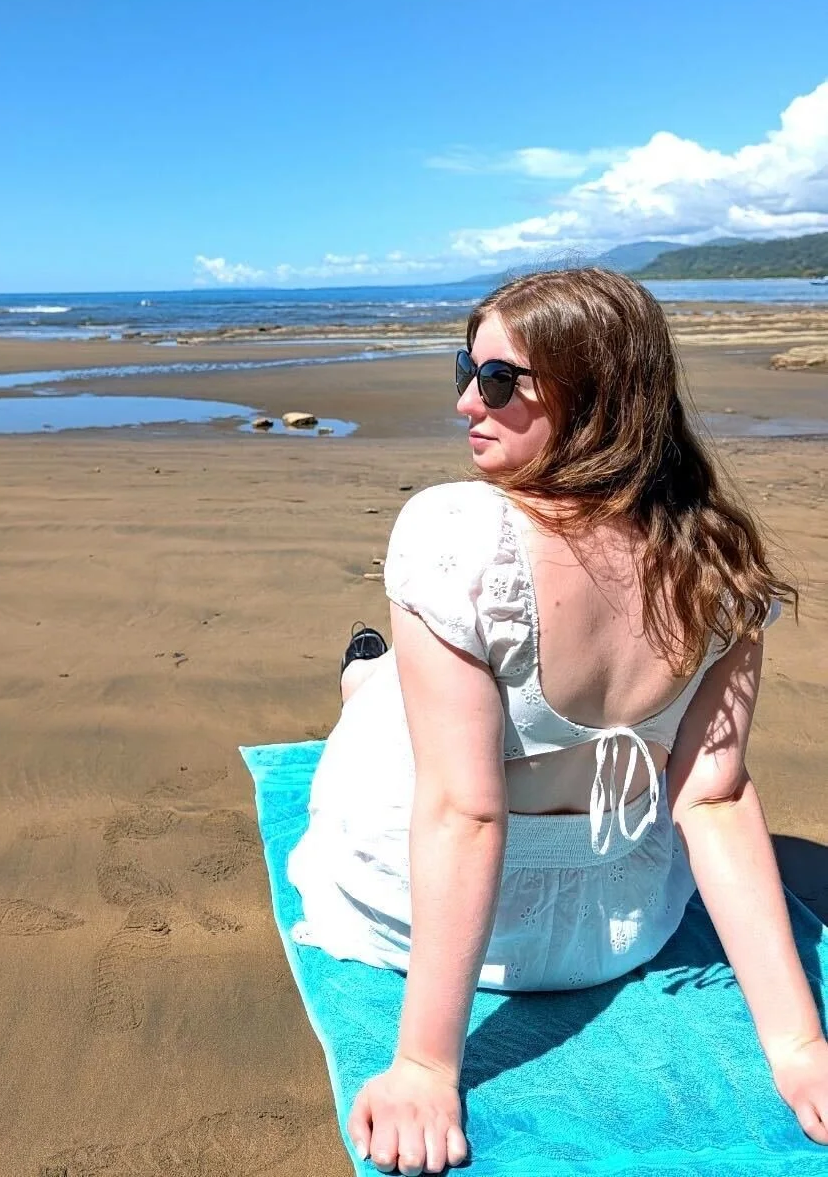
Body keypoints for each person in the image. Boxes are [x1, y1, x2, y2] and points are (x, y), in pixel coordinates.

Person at [286, 268, 828, 1175]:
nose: (466, 399)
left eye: (498, 380)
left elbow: (465, 812)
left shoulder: (456, 532)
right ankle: (373, 674)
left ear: (595, 394)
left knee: (381, 706)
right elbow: (716, 800)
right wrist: (800, 1047)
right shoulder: (721, 561)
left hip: (414, 918)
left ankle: (362, 678)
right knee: (430, 700)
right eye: (465, 367)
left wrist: (425, 1063)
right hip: (616, 926)